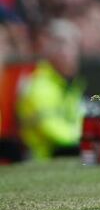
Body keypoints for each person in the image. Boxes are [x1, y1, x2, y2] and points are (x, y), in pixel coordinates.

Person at [16, 19, 85, 160]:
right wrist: (87, 138)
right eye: (70, 50)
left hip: (64, 155)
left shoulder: (69, 85)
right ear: (55, 52)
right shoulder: (39, 87)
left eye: (76, 51)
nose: (74, 58)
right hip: (41, 160)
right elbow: (53, 132)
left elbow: (79, 120)